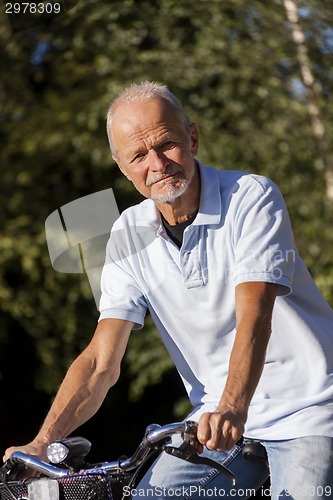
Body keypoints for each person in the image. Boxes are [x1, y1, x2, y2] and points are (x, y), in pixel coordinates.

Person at [4, 81, 333, 499]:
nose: (157, 164)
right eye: (138, 155)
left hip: (311, 408)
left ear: (192, 138)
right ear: (122, 166)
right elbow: (101, 361)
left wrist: (233, 406)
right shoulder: (127, 234)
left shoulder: (250, 197)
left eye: (167, 144)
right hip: (214, 421)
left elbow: (255, 316)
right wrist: (42, 444)